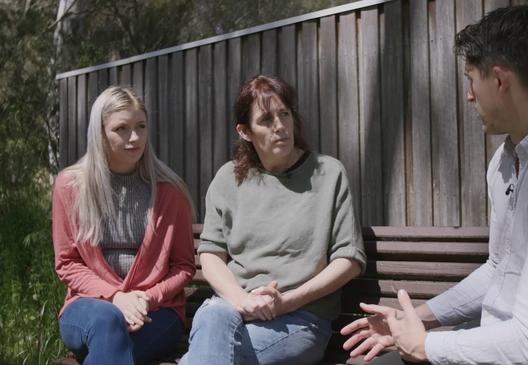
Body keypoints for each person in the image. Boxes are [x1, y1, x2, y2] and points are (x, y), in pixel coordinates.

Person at [341, 5, 528, 365]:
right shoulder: (505, 161)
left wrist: (427, 347)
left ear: (499, 80)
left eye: (471, 79)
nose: (469, 95)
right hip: (508, 341)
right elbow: (501, 270)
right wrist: (414, 321)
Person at [180, 74, 367, 365]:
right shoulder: (227, 179)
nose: (280, 126)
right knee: (214, 314)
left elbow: (349, 260)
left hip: (301, 318)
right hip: (234, 310)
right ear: (245, 132)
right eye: (266, 120)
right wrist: (242, 300)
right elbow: (211, 254)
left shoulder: (329, 173)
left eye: (285, 114)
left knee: (202, 357)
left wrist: (286, 303)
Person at [52, 86, 196, 365]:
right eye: (122, 128)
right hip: (88, 308)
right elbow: (68, 263)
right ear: (100, 134)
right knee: (107, 321)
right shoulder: (70, 187)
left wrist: (146, 298)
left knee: (109, 345)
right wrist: (116, 297)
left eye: (141, 126)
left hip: (156, 311)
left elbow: (183, 266)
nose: (135, 138)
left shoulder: (170, 191)